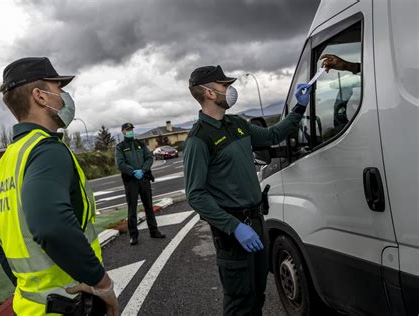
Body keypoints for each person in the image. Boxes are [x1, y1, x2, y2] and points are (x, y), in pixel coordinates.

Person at [0, 57, 119, 315]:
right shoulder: (47, 150)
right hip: (72, 304)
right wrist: (101, 283)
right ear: (40, 96)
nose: (65, 97)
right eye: (59, 89)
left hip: (31, 307)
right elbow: (51, 226)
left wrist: (31, 289)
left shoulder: (6, 163)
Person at [184, 65, 312, 315]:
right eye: (225, 86)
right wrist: (235, 227)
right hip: (234, 232)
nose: (230, 90)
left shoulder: (236, 124)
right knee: (240, 302)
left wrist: (300, 107)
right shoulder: (199, 139)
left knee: (257, 294)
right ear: (209, 93)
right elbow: (195, 195)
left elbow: (272, 135)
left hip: (257, 222)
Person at [115, 123, 165, 245]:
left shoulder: (140, 144)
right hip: (131, 181)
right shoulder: (120, 147)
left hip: (144, 179)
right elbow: (120, 164)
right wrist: (133, 172)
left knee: (149, 206)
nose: (130, 131)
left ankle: (154, 231)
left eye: (131, 129)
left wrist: (143, 170)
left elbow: (149, 158)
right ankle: (133, 236)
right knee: (132, 208)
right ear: (123, 132)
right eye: (127, 130)